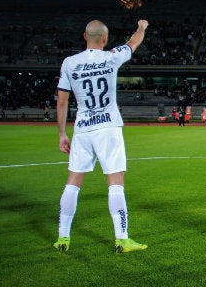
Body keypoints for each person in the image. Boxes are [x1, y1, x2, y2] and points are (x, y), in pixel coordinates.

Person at [53, 19, 149, 254]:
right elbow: (133, 42)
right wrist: (141, 28)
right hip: (109, 128)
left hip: (83, 128)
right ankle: (122, 239)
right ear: (105, 40)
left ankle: (63, 238)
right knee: (115, 183)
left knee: (73, 182)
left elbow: (62, 101)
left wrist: (62, 133)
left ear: (84, 36)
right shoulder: (112, 57)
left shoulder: (70, 62)